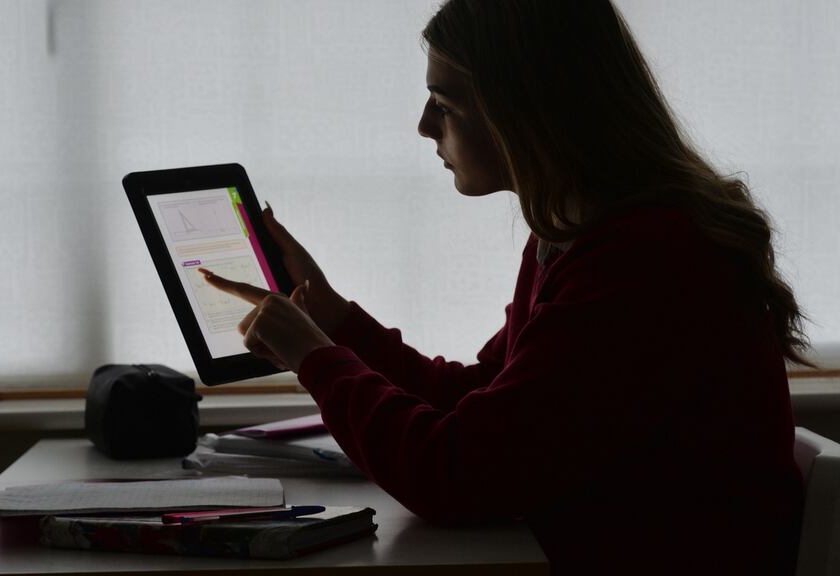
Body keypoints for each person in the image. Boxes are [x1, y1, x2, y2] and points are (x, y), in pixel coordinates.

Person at [199, 0, 810, 573]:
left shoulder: (646, 260)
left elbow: (457, 475)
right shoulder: (579, 234)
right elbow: (480, 398)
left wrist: (316, 358)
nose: (423, 125)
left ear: (526, 108)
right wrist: (333, 320)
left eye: (445, 102)